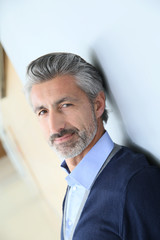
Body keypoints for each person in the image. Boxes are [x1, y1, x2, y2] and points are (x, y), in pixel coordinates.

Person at [25, 52, 160, 240]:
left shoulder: (135, 184)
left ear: (97, 105)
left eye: (65, 105)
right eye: (43, 111)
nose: (54, 126)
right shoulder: (75, 183)